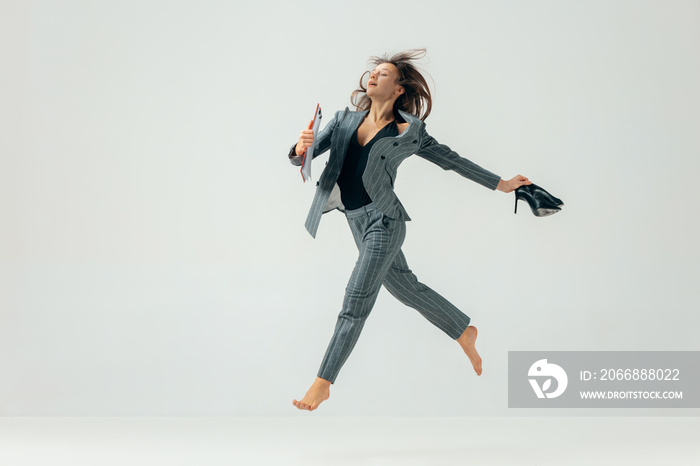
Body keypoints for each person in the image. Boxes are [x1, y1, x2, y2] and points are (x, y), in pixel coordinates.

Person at [287, 49, 532, 411]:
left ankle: (322, 382)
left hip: (385, 222)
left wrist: (503, 184)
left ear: (399, 89)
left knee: (356, 299)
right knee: (407, 289)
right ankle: (463, 330)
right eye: (372, 72)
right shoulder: (341, 121)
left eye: (383, 74)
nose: (373, 76)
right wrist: (299, 146)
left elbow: (453, 161)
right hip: (355, 221)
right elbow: (300, 158)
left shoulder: (409, 133)